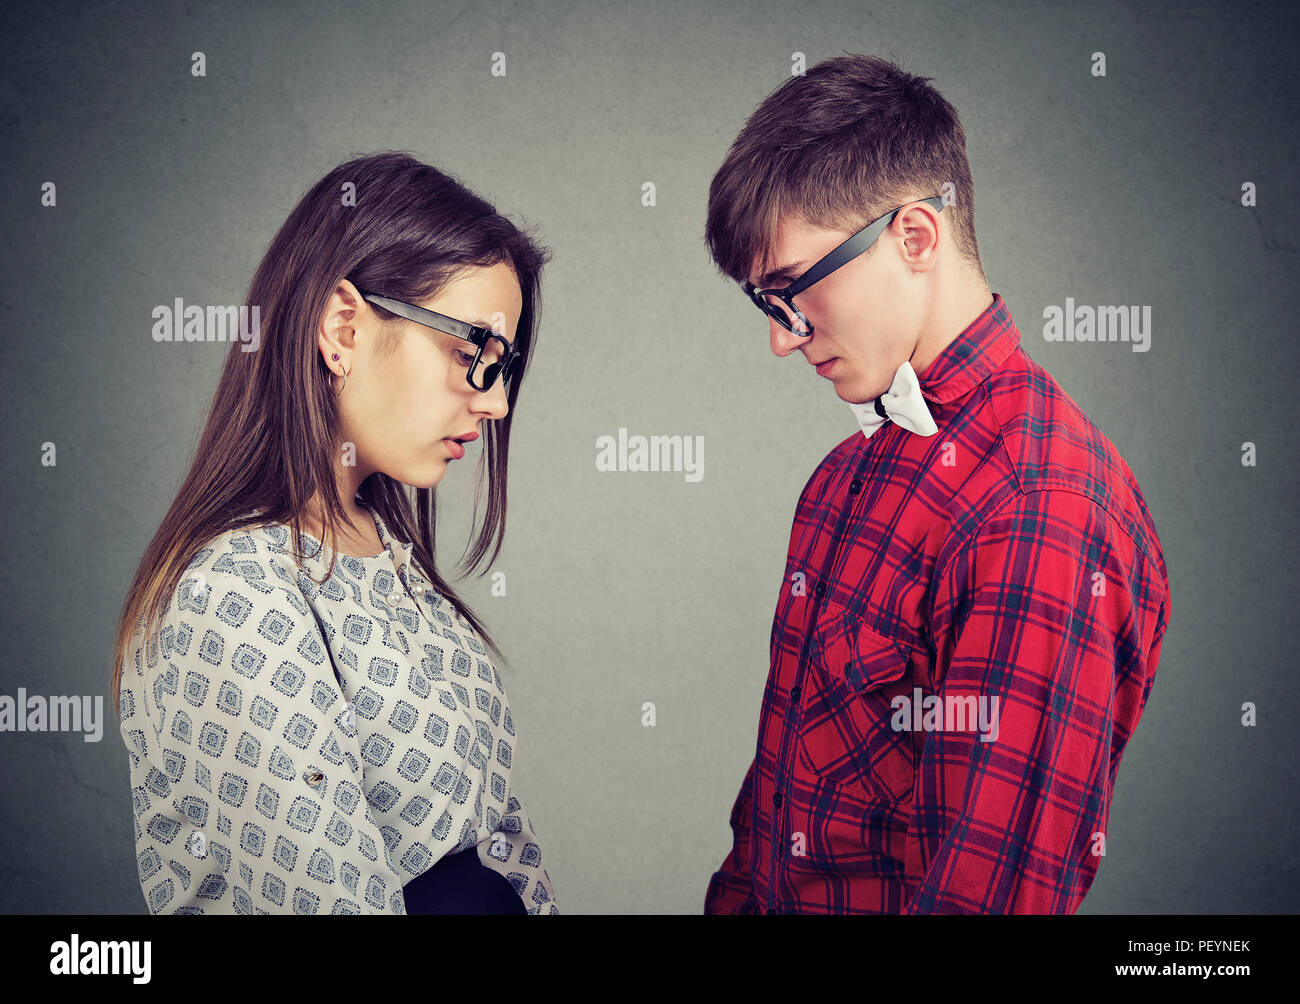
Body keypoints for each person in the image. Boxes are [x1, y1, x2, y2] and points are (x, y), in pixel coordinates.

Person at [701, 54, 1171, 913]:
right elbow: (769, 824)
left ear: (914, 237)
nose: (782, 337)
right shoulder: (843, 479)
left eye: (793, 290)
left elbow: (989, 894)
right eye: (765, 304)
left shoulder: (1041, 508)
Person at [110, 151, 559, 914]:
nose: (496, 405)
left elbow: (504, 846)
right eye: (471, 354)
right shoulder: (233, 596)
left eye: (504, 366)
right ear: (342, 327)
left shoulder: (394, 558)